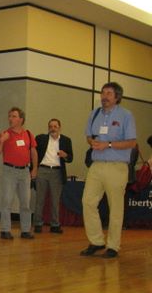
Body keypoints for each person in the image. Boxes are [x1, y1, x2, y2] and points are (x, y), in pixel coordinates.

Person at [81, 82, 137, 258]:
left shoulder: (126, 115)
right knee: (88, 202)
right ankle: (96, 241)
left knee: (116, 208)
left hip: (116, 166)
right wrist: (92, 142)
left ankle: (113, 246)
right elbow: (88, 136)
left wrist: (109, 144)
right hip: (96, 165)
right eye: (103, 92)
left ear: (117, 97)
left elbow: (132, 142)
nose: (104, 96)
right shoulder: (94, 113)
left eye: (109, 93)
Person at [0, 107, 38, 240]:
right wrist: (1, 140)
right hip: (10, 171)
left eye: (13, 116)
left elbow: (33, 152)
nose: (10, 119)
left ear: (21, 119)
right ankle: (5, 230)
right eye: (9, 116)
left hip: (25, 172)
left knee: (25, 203)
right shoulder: (5, 134)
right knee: (7, 201)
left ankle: (25, 230)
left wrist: (35, 168)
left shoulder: (28, 134)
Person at [33, 119, 73, 234]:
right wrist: (34, 169)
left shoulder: (66, 140)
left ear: (59, 128)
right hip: (42, 170)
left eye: (55, 126)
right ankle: (38, 224)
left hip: (57, 172)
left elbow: (70, 158)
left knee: (55, 201)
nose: (53, 128)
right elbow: (34, 154)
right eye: (50, 126)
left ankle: (55, 224)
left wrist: (65, 155)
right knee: (39, 199)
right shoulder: (40, 139)